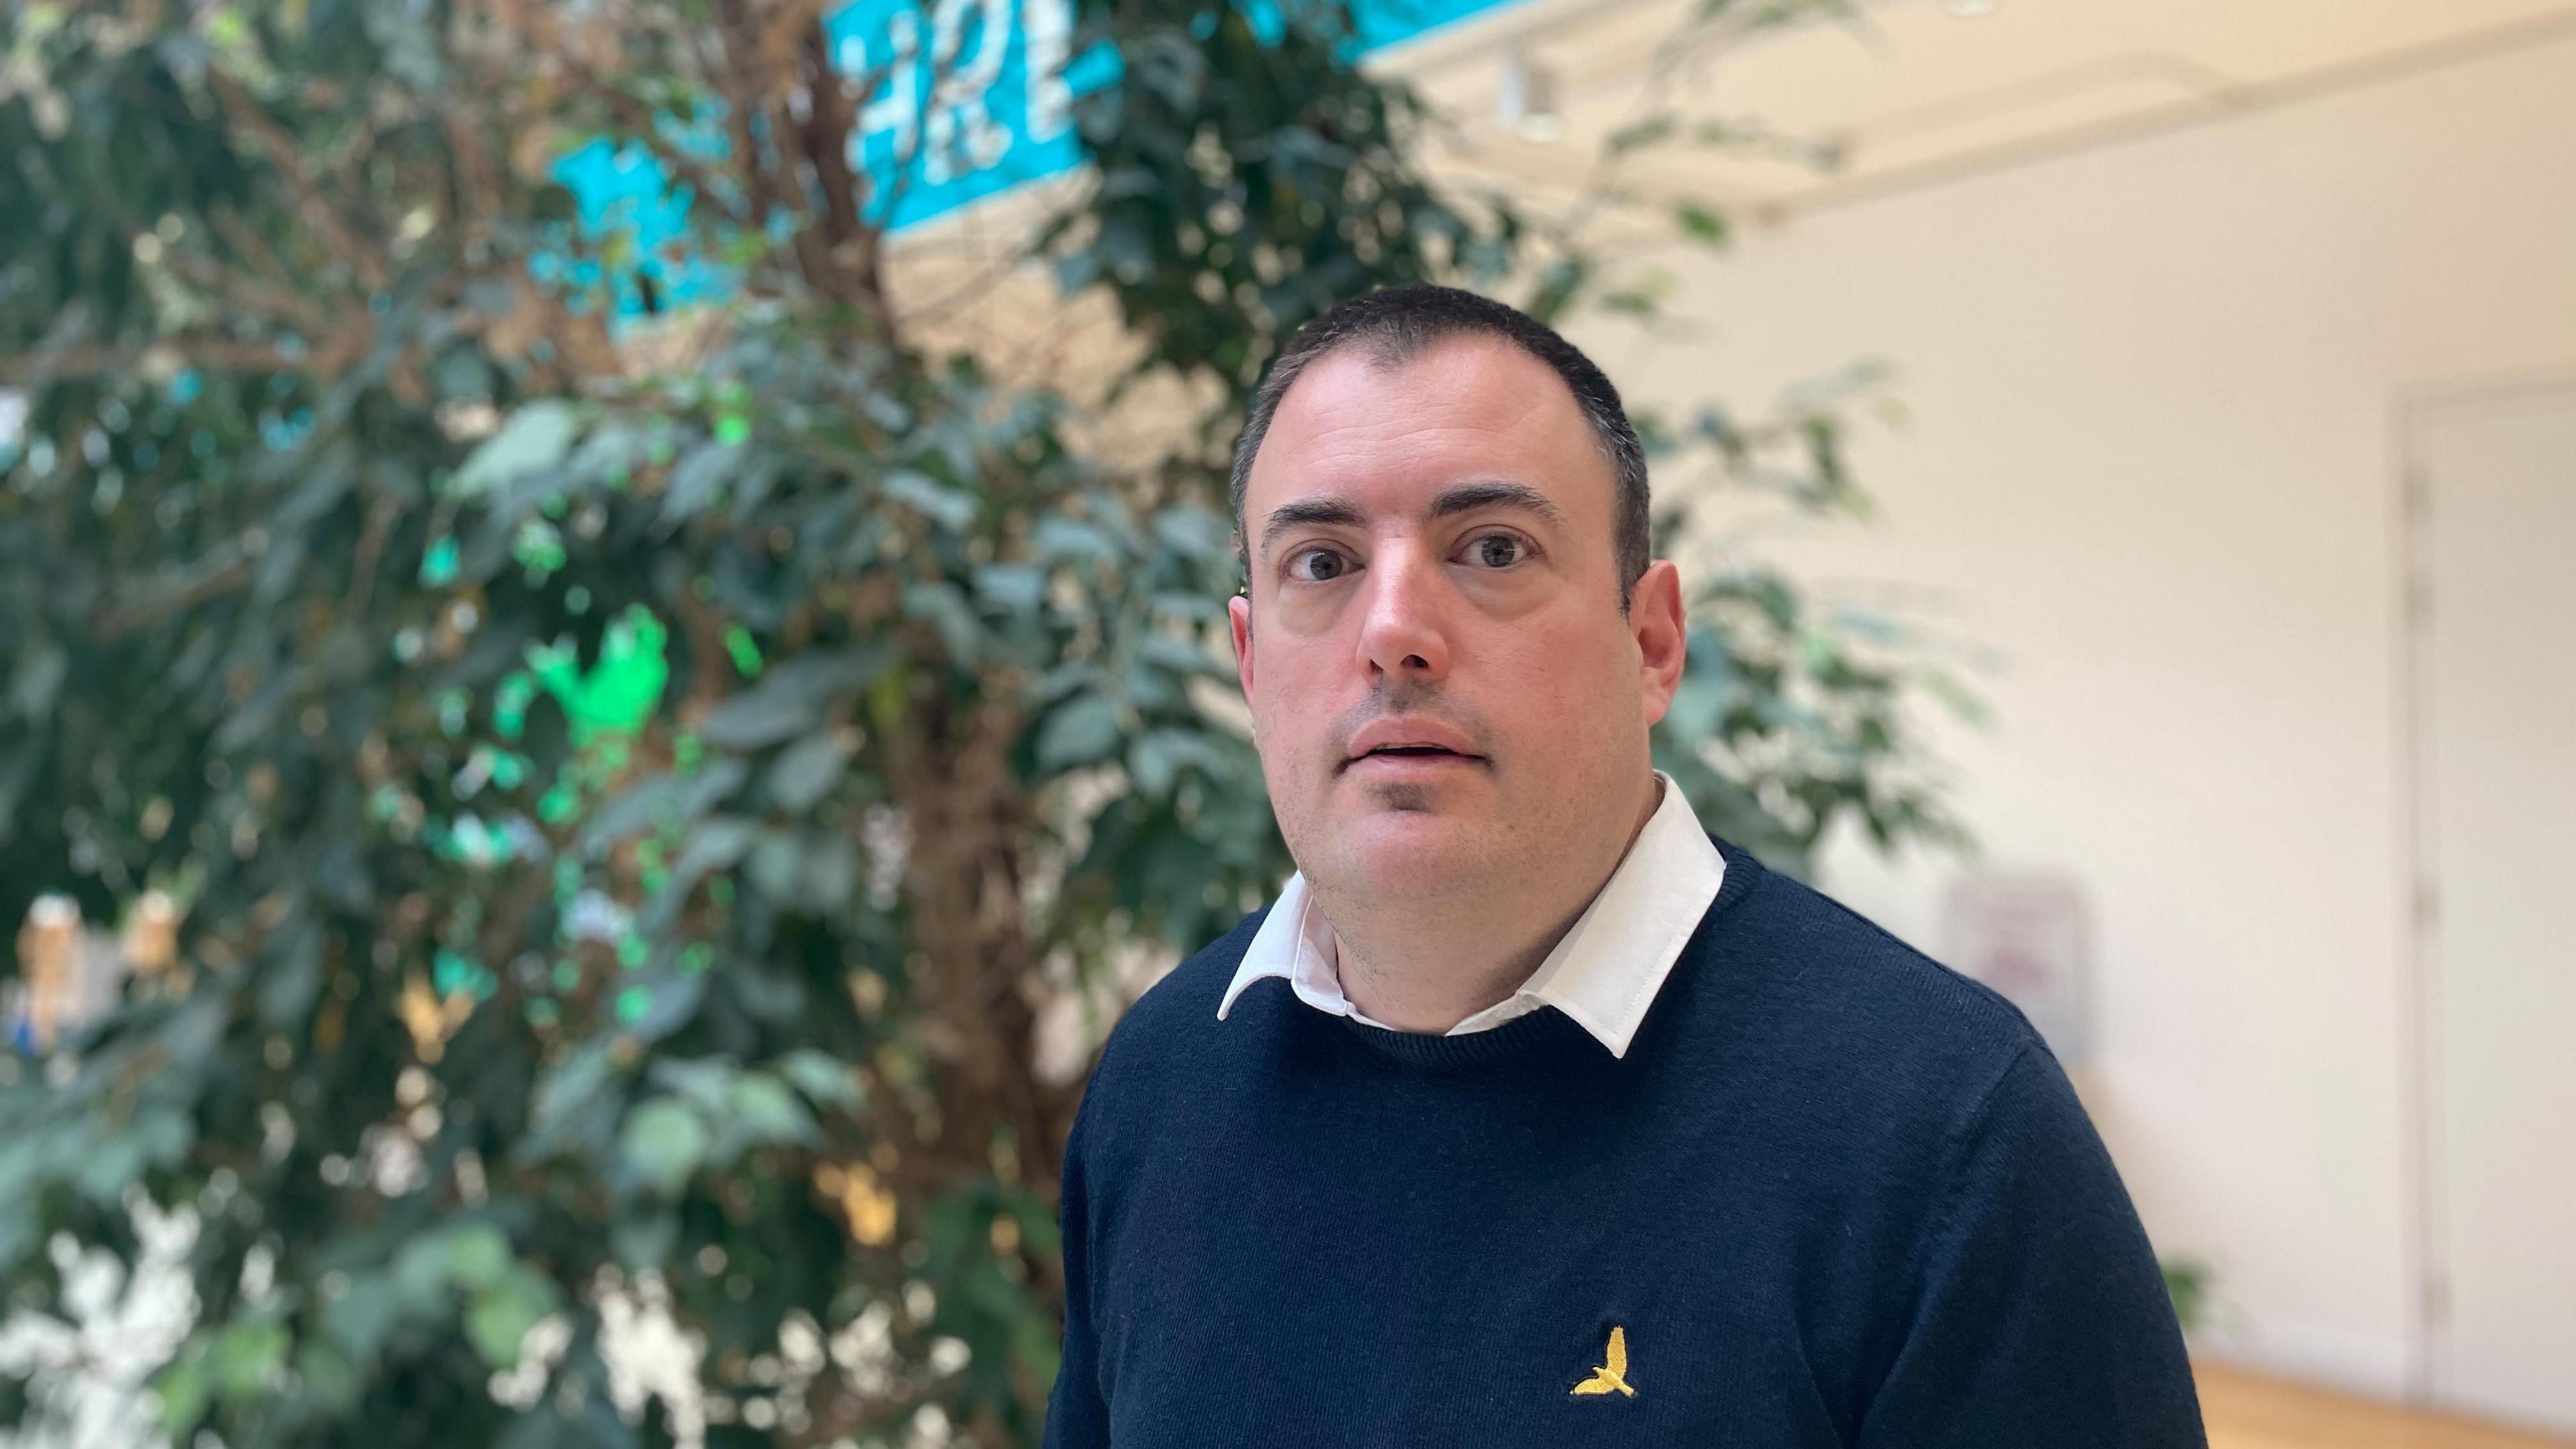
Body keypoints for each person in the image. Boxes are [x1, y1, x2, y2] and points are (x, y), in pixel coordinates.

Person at [1040, 284, 2205, 1447]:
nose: (1392, 629)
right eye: (1322, 562)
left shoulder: (1946, 1139)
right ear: (1250, 665)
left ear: (1650, 644)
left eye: (1492, 549)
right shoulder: (1160, 1081)